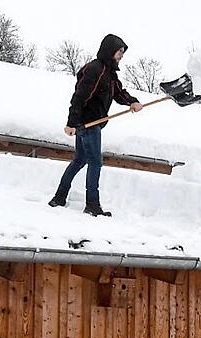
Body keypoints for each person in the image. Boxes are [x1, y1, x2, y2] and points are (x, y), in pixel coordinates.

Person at [48, 34, 144, 217]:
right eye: (119, 51)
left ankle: (59, 197)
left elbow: (118, 93)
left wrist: (133, 102)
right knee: (95, 162)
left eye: (123, 52)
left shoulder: (109, 73)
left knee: (80, 160)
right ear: (110, 50)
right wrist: (72, 122)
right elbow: (79, 97)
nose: (121, 55)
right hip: (88, 123)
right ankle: (92, 204)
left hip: (91, 123)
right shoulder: (95, 70)